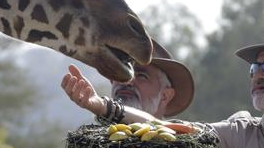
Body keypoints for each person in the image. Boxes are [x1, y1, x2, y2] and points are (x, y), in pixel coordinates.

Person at [60, 39, 195, 122]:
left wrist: (103, 106)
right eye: (122, 72)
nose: (127, 81)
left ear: (165, 96)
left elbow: (158, 127)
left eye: (142, 76)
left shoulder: (186, 139)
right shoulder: (95, 146)